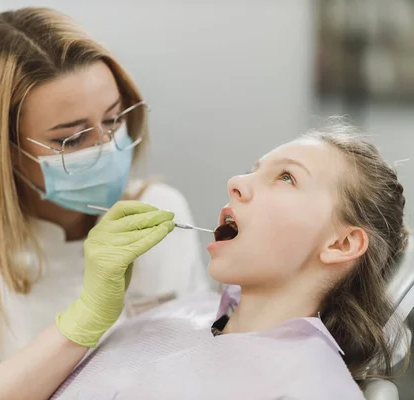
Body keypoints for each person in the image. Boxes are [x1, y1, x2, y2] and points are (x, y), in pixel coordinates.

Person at [0, 7, 210, 400]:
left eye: (113, 120)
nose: (106, 149)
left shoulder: (162, 210)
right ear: (5, 150)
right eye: (71, 140)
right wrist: (83, 321)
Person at [49, 122, 410, 399]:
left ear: (342, 243)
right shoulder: (170, 316)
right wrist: (85, 317)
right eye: (253, 169)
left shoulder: (311, 387)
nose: (236, 181)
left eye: (286, 177)